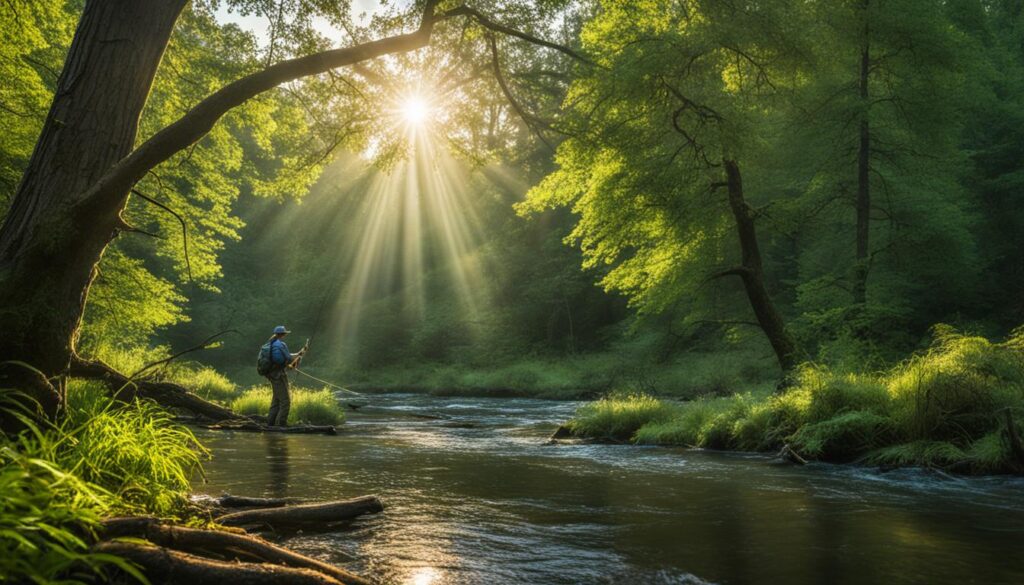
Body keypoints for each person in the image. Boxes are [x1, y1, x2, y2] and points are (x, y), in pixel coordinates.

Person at [264, 325, 305, 426]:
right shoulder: (281, 344)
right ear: (283, 334)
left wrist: (299, 353)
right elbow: (288, 358)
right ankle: (281, 425)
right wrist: (299, 356)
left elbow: (287, 356)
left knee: (276, 401)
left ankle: (270, 424)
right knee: (285, 402)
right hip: (278, 376)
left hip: (271, 375)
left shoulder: (271, 343)